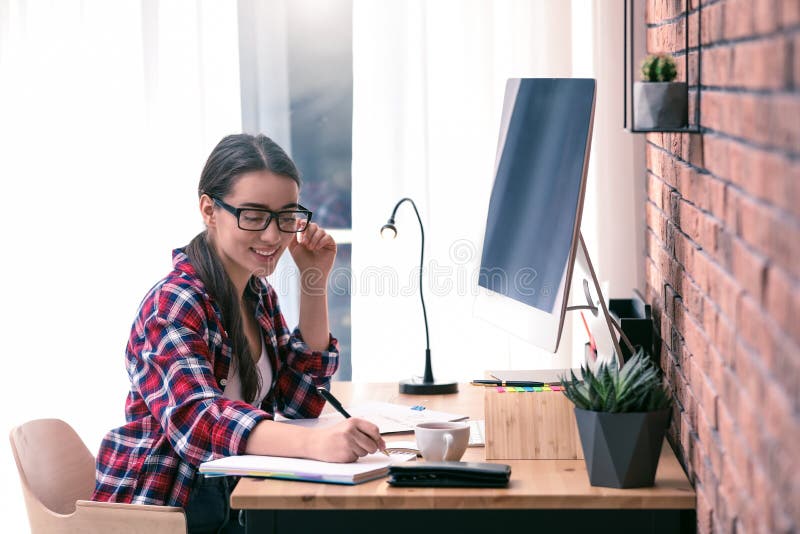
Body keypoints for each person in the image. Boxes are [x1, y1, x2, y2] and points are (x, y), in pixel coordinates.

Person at [92, 133, 385, 533]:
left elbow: (300, 401)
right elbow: (200, 422)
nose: (273, 236)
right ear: (209, 210)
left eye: (286, 217)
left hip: (234, 497)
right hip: (170, 508)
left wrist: (313, 280)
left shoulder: (255, 295)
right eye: (253, 215)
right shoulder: (173, 304)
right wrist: (318, 444)